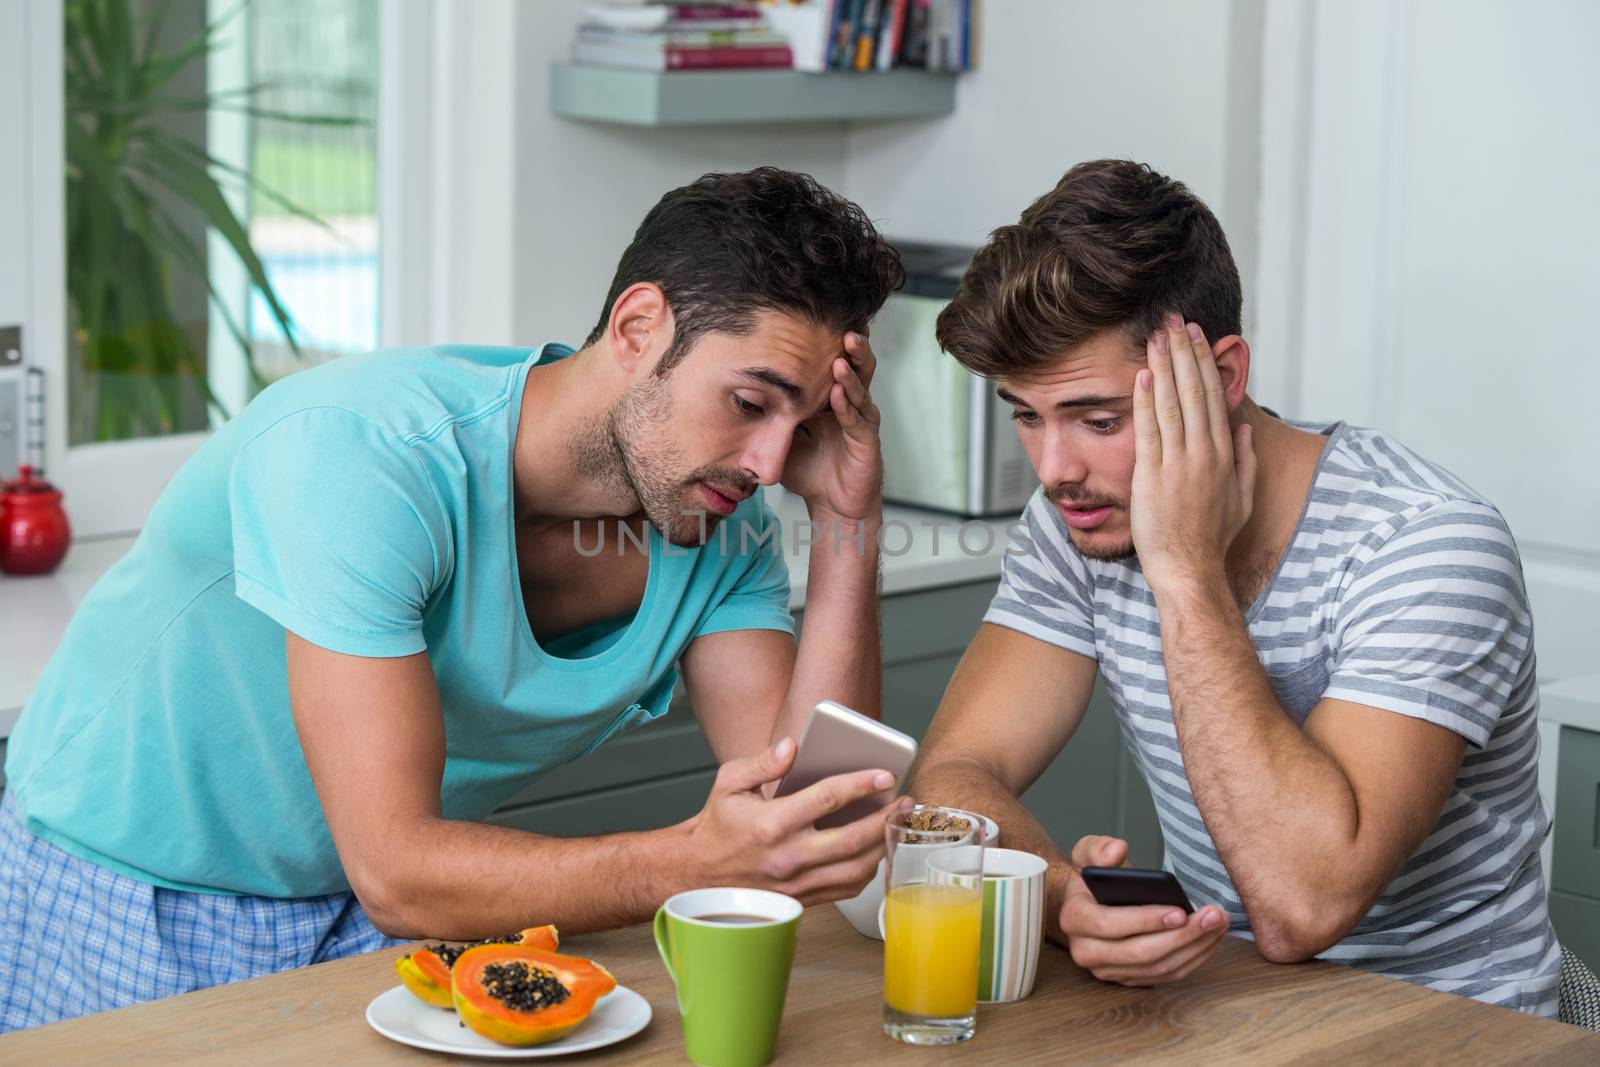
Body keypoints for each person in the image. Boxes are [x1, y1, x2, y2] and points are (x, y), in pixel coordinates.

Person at [0, 167, 907, 1030]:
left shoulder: (715, 520)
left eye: (806, 423)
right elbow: (396, 866)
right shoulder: (362, 457)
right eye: (752, 401)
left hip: (373, 910)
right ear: (636, 329)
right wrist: (692, 860)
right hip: (129, 888)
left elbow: (814, 819)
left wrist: (847, 519)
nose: (771, 463)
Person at [906, 159, 1559, 1015]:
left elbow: (1303, 906)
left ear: (1219, 379)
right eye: (1027, 415)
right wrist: (1065, 898)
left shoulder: (1427, 545)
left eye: (1100, 419)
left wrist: (1186, 570)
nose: (1056, 470)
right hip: (1229, 1010)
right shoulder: (1084, 517)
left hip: (1451, 1024)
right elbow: (953, 771)